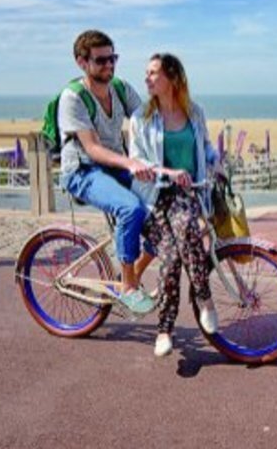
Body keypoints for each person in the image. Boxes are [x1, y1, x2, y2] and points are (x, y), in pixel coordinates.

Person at [57, 30, 156, 315]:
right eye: (101, 61)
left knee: (162, 208)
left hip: (115, 166)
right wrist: (130, 163)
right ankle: (127, 287)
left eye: (113, 58)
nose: (109, 66)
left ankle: (132, 274)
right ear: (81, 62)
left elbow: (149, 122)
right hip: (83, 170)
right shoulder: (73, 98)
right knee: (130, 209)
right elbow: (92, 148)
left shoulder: (121, 89)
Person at [129, 53, 220, 358]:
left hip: (188, 193)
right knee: (170, 258)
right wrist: (167, 172)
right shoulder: (141, 117)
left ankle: (176, 320)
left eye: (154, 73)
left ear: (172, 77)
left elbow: (205, 144)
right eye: (147, 73)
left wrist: (214, 161)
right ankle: (175, 321)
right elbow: (137, 159)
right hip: (154, 196)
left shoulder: (194, 112)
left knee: (180, 240)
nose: (147, 78)